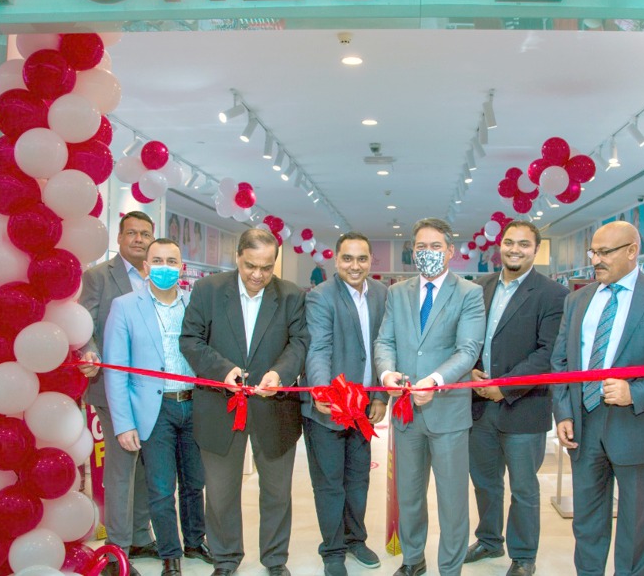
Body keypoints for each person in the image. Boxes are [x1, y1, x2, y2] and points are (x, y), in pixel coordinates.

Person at [551, 221, 644, 576]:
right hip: (584, 429)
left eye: (605, 252)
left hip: (640, 427)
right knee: (587, 523)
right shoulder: (577, 300)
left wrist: (635, 392)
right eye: (593, 252)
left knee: (636, 527)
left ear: (632, 251)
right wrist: (564, 412)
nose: (596, 260)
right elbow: (560, 362)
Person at [179, 228, 309, 576]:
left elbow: (299, 343)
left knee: (277, 493)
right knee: (220, 492)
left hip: (275, 409)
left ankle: (275, 559)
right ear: (237, 257)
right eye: (251, 265)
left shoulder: (291, 295)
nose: (258, 275)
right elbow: (190, 339)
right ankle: (225, 558)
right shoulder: (208, 290)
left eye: (266, 267)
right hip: (219, 407)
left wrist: (280, 374)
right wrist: (222, 370)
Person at [374, 218, 486, 576]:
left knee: (452, 500)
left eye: (435, 246)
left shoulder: (469, 293)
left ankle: (450, 568)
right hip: (406, 412)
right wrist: (386, 373)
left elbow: (467, 350)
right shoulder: (397, 293)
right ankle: (413, 559)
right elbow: (385, 341)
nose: (428, 253)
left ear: (450, 251)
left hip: (448, 413)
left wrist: (435, 381)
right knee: (408, 495)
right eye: (421, 247)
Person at [103, 238, 211, 576]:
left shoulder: (194, 304)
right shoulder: (125, 306)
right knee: (162, 488)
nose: (165, 267)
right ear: (147, 267)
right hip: (154, 410)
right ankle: (170, 554)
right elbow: (115, 370)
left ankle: (195, 542)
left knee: (194, 483)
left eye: (172, 261)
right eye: (158, 261)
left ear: (181, 267)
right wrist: (124, 424)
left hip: (193, 404)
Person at [465, 221, 567, 576]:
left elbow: (548, 353)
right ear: (500, 245)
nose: (515, 249)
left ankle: (523, 556)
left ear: (535, 249)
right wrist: (470, 370)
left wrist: (504, 386)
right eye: (509, 242)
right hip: (479, 406)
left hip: (524, 407)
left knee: (523, 488)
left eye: (524, 244)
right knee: (484, 481)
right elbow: (467, 338)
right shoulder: (479, 288)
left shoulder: (553, 294)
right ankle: (489, 540)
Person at [79, 210, 161, 575]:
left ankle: (141, 536)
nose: (139, 239)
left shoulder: (158, 276)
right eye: (132, 233)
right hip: (112, 389)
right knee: (121, 470)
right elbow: (84, 325)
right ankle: (117, 552)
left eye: (145, 234)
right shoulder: (99, 276)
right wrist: (89, 353)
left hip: (152, 392)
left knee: (144, 467)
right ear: (120, 238)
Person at [302, 232, 388, 576]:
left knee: (358, 479)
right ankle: (333, 550)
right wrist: (322, 391)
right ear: (336, 260)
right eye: (348, 258)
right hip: (329, 408)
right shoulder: (321, 296)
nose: (355, 265)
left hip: (364, 406)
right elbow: (318, 348)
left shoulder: (381, 293)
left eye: (362, 258)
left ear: (370, 261)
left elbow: (383, 347)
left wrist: (380, 395)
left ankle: (356, 539)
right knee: (329, 482)